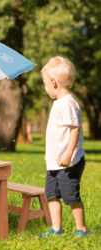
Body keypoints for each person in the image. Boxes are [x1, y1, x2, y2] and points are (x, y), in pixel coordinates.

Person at [40, 56, 89, 238]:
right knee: (52, 195)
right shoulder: (59, 103)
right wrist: (50, 154)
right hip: (54, 162)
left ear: (53, 82)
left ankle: (81, 228)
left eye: (45, 83)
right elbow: (57, 134)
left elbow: (74, 130)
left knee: (70, 196)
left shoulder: (68, 103)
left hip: (69, 162)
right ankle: (56, 228)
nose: (45, 87)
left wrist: (68, 154)